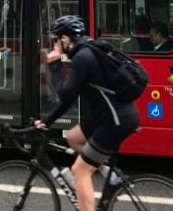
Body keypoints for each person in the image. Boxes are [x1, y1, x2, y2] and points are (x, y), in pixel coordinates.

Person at [34, 16, 139, 211]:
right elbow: (69, 99)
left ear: (65, 39)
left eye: (56, 40)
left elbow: (65, 94)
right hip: (108, 116)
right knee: (74, 138)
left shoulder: (83, 58)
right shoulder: (86, 51)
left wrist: (55, 65)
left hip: (115, 120)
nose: (54, 44)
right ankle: (110, 175)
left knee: (80, 170)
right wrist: (47, 121)